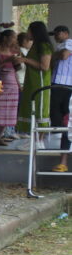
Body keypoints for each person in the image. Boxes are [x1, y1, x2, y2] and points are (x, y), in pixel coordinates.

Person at [17, 21, 53, 141]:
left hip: (40, 82)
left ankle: (39, 140)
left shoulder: (44, 45)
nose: (27, 33)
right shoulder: (35, 45)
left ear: (35, 31)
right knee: (30, 108)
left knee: (40, 109)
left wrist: (25, 60)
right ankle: (34, 140)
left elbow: (45, 66)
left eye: (29, 30)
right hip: (31, 82)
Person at [50, 25, 72, 171]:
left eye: (57, 33)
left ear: (65, 33)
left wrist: (54, 55)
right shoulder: (59, 46)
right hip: (57, 84)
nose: (55, 36)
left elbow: (64, 55)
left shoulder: (69, 43)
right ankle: (62, 161)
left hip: (66, 85)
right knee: (62, 120)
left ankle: (63, 161)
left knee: (66, 119)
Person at [0, 29, 22, 144]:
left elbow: (17, 69)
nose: (15, 40)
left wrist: (19, 84)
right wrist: (8, 60)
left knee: (9, 110)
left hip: (12, 83)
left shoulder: (13, 51)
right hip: (0, 83)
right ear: (5, 38)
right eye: (13, 37)